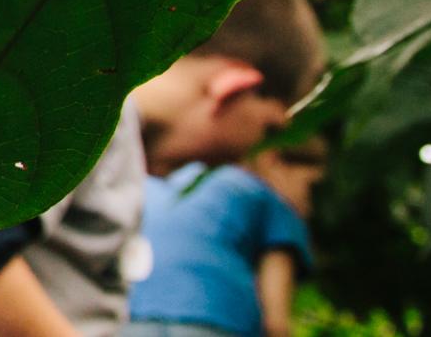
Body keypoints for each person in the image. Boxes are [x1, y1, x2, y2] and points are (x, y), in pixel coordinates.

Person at [0, 0, 325, 337]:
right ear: (232, 88)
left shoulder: (114, 138)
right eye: (267, 130)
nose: (246, 158)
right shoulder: (86, 115)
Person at [124, 139, 326, 337]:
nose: (310, 206)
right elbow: (276, 320)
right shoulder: (270, 202)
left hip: (127, 318)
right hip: (216, 321)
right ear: (271, 160)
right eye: (312, 188)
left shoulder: (148, 181)